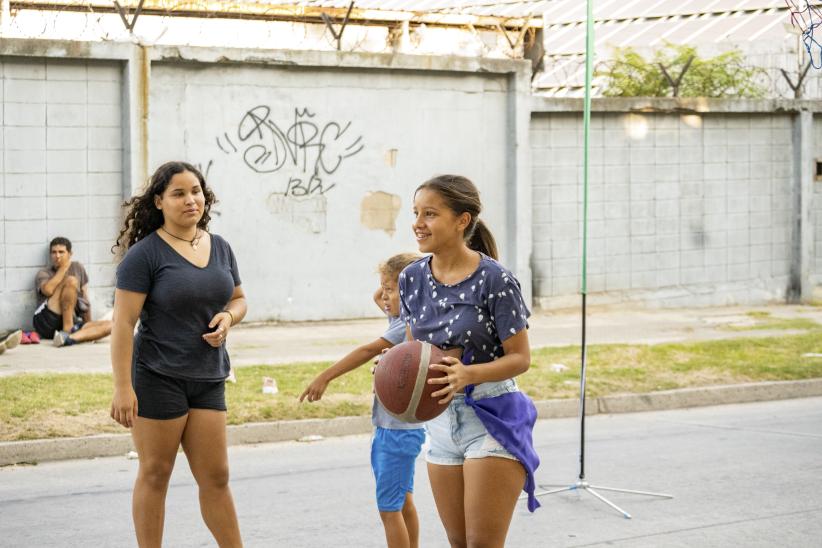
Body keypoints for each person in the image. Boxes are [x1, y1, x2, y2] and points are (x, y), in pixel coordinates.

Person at [110, 161, 246, 548]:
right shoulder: (145, 255)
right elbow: (123, 324)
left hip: (208, 376)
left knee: (216, 477)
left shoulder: (219, 246)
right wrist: (123, 388)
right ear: (159, 201)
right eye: (179, 193)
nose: (191, 200)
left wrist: (229, 317)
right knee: (155, 473)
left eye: (196, 191)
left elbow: (239, 299)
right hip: (157, 376)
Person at [399, 174, 540, 548]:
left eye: (430, 213)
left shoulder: (495, 279)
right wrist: (397, 368)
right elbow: (417, 352)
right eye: (415, 212)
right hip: (440, 422)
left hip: (491, 417)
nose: (418, 223)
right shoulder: (411, 278)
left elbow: (521, 359)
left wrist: (468, 374)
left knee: (482, 545)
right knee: (458, 542)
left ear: (462, 220)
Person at [300, 252, 429, 548]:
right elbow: (381, 296)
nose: (383, 297)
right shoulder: (402, 315)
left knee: (389, 509)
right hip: (400, 430)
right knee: (403, 501)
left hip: (395, 432)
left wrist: (325, 377)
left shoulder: (403, 325)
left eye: (389, 290)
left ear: (409, 291)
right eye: (382, 289)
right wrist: (390, 282)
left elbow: (366, 351)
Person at [32, 237, 112, 347]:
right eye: (54, 252)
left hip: (71, 320)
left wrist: (87, 323)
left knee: (111, 325)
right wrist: (64, 268)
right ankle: (68, 330)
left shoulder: (78, 267)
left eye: (61, 252)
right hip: (46, 321)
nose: (57, 256)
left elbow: (84, 299)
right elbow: (48, 291)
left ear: (70, 254)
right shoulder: (43, 273)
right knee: (71, 281)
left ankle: (69, 338)